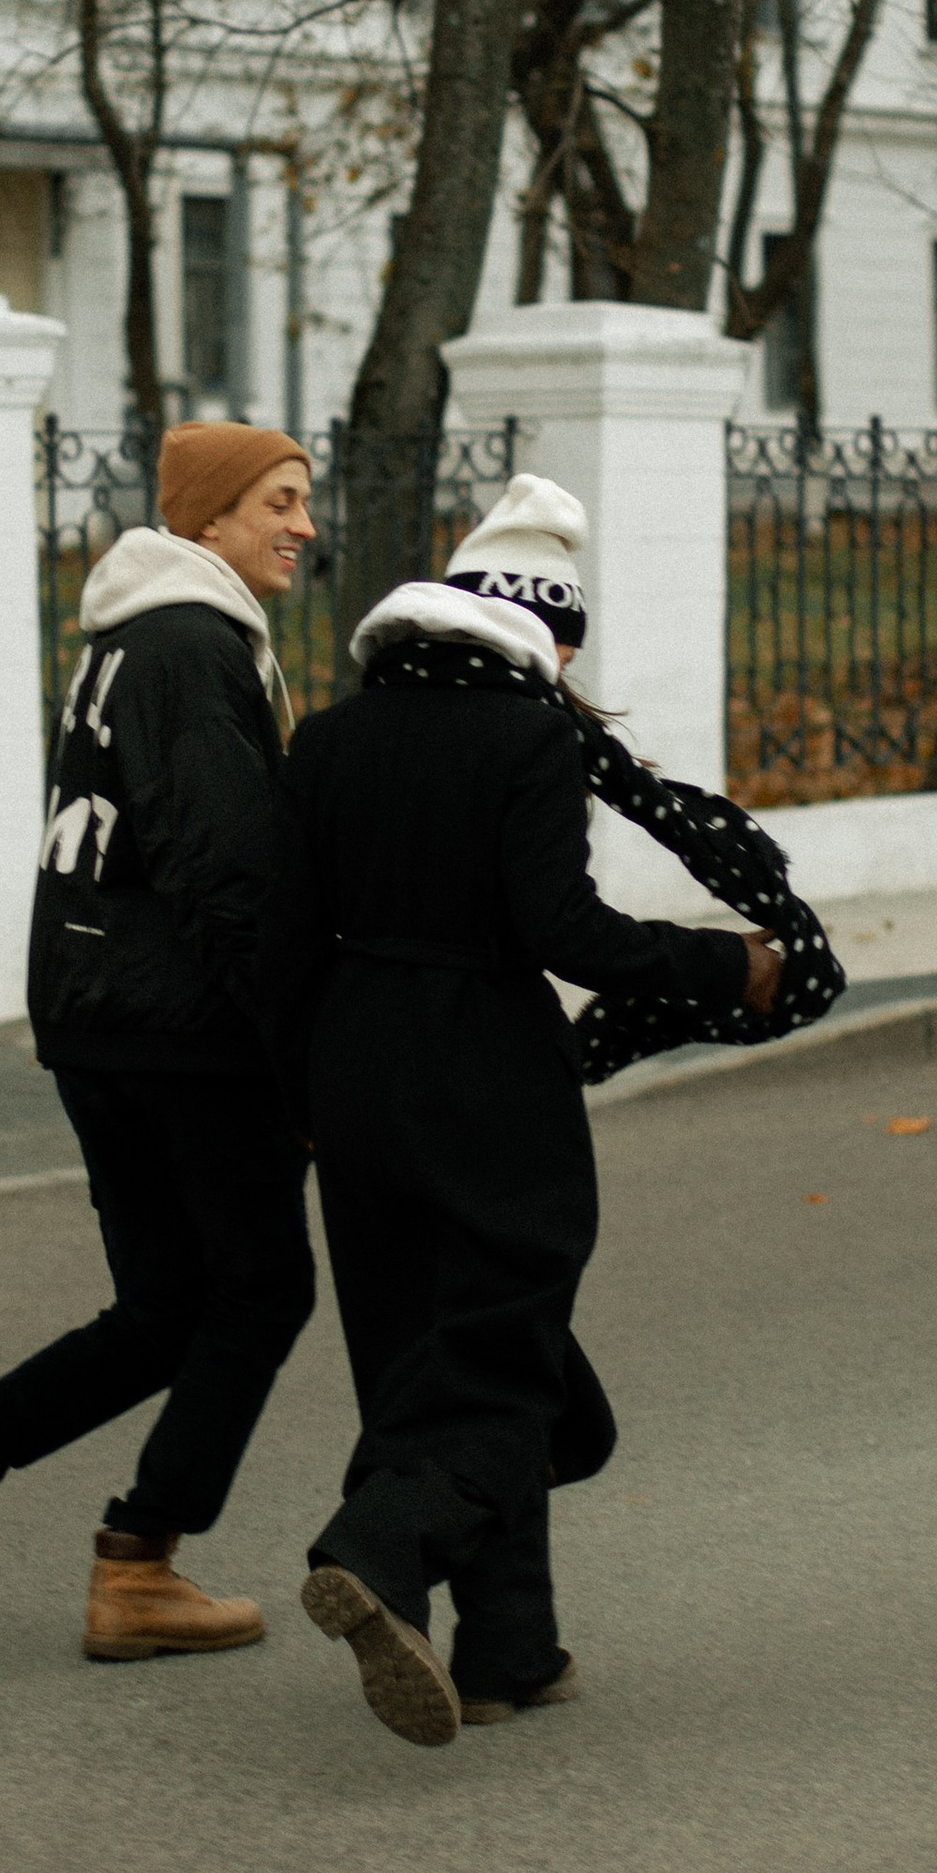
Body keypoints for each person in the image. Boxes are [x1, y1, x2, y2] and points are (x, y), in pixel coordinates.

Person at [265, 476, 782, 1749]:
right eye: (564, 650)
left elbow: (276, 945)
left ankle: (505, 1650)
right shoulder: (526, 742)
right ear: (536, 643)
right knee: (507, 1359)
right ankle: (378, 1545)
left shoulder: (328, 742)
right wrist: (731, 965)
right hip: (488, 1069)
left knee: (417, 1357)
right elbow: (564, 931)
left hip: (349, 1072)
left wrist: (302, 1103)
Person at [0, 424, 321, 1660]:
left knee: (169, 1305)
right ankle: (140, 1565)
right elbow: (230, 870)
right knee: (261, 1289)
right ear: (209, 519)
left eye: (305, 502)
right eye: (278, 501)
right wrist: (302, 1049)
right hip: (189, 1030)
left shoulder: (131, 639)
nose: (303, 526)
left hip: (98, 1018)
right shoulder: (191, 646)